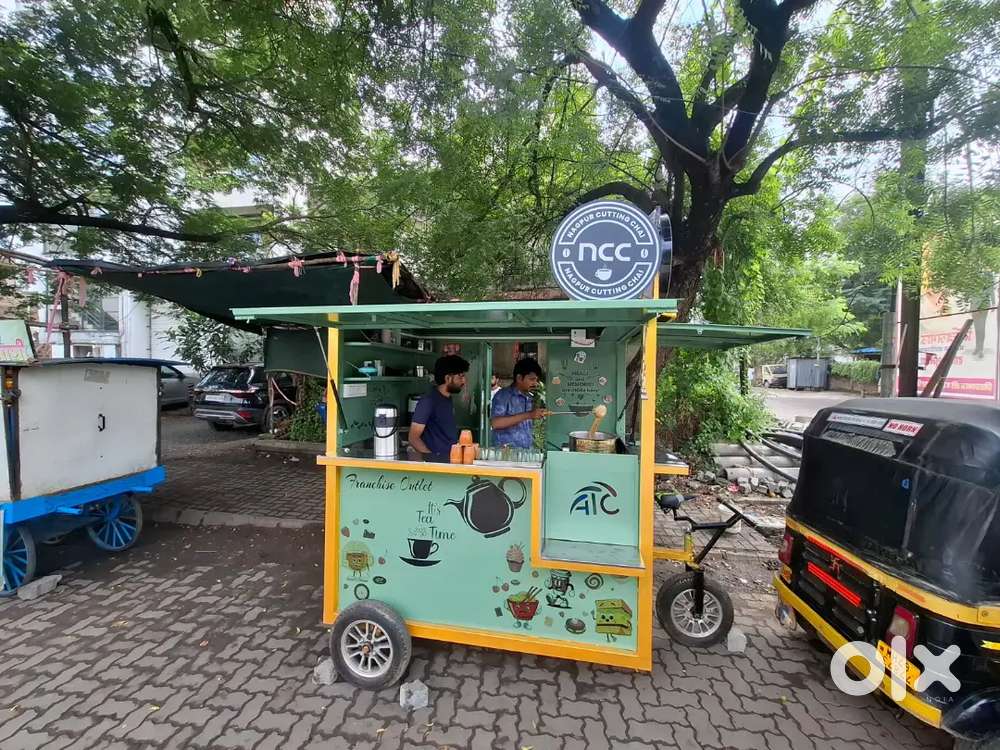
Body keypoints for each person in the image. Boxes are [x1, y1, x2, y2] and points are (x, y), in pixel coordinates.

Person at [409, 355, 469, 456]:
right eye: (460, 376)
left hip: (451, 459)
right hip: (437, 463)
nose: (464, 381)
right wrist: (432, 458)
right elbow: (413, 438)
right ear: (448, 378)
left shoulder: (448, 398)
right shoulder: (428, 401)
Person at [491, 358, 547, 448]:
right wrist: (529, 415)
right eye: (532, 379)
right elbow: (495, 423)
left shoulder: (530, 397)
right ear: (519, 378)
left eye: (536, 380)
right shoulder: (503, 396)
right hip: (506, 452)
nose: (535, 383)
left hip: (526, 451)